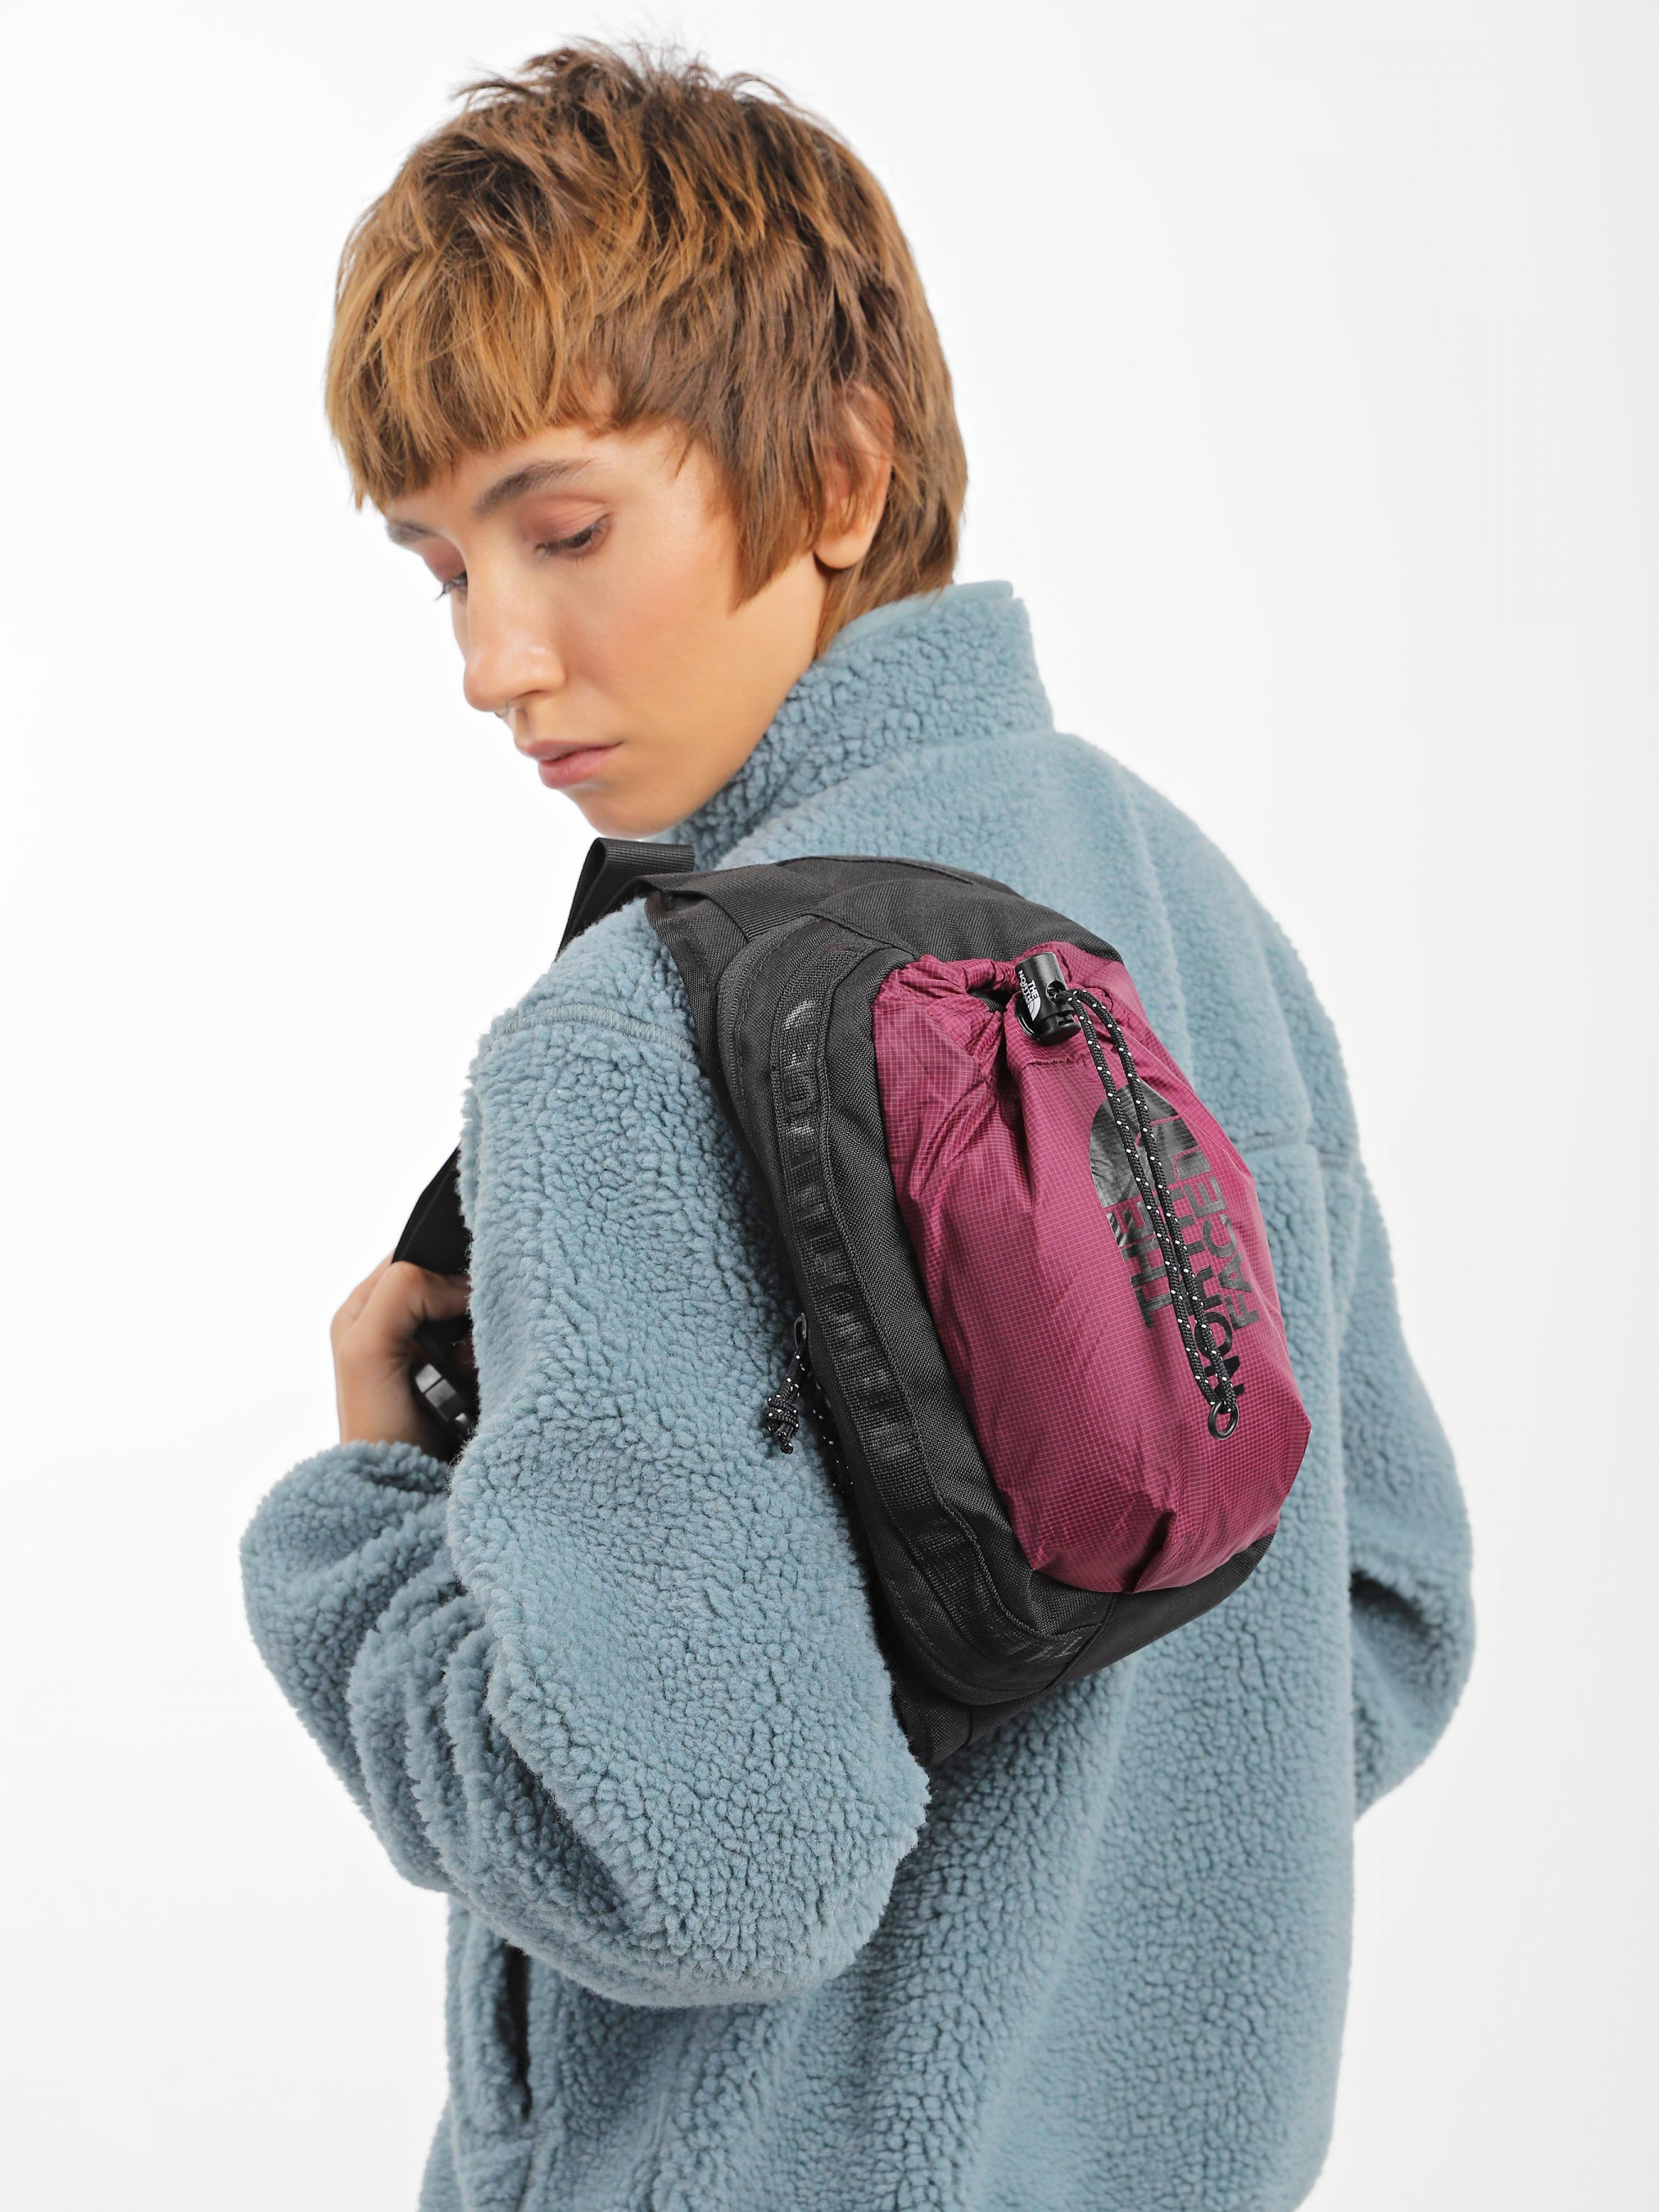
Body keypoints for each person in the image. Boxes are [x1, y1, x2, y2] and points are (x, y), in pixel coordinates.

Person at [241, 43, 1474, 2212]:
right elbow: (1379, 1614)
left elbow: (701, 1869)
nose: (493, 659)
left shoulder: (628, 1047)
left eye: (563, 530)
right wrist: (1091, 1922)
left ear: (835, 466)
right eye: (443, 570)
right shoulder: (1191, 925)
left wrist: (364, 1541)